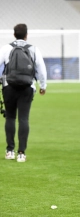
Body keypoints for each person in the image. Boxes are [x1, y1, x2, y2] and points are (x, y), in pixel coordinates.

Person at [0, 24, 47, 162]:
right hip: (27, 86)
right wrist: (43, 86)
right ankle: (21, 153)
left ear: (14, 34)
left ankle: (10, 151)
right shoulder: (33, 49)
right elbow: (41, 69)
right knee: (23, 119)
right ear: (27, 35)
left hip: (9, 86)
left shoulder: (6, 48)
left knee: (10, 117)